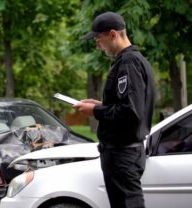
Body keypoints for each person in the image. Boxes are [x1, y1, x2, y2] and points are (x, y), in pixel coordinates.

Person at [73, 12, 155, 208]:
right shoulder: (132, 60)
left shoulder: (129, 63)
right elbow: (129, 105)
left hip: (123, 154)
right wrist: (99, 104)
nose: (97, 45)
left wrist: (95, 111)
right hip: (123, 154)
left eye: (98, 39)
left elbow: (130, 112)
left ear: (112, 34)